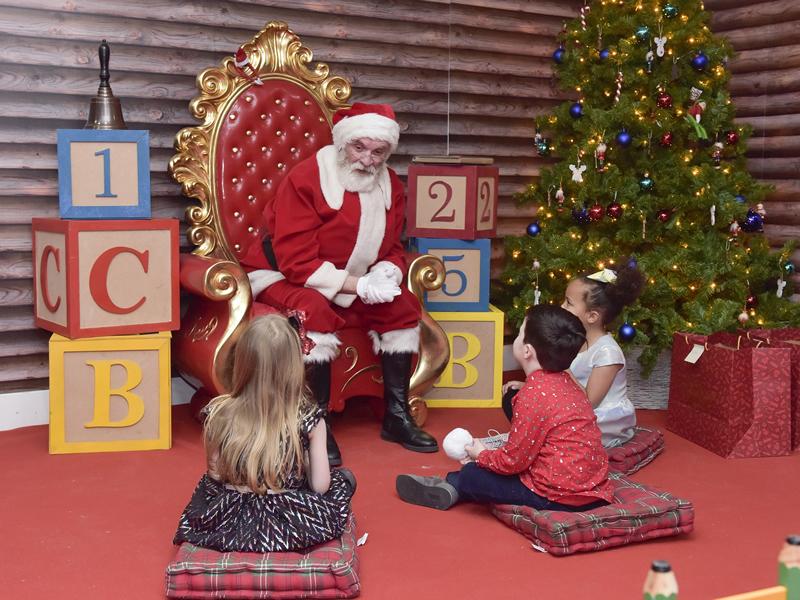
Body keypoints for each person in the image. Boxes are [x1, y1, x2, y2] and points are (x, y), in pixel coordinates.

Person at [242, 102, 439, 464]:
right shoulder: (306, 178)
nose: (368, 159)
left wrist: (388, 272)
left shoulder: (390, 185)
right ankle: (316, 424)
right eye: (359, 147)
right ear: (343, 143)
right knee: (312, 309)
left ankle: (396, 415)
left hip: (351, 278)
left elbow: (393, 247)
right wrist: (359, 286)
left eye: (378, 151)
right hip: (282, 274)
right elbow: (296, 262)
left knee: (402, 306)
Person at [395, 305, 613, 512]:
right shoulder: (569, 386)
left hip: (558, 496)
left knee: (472, 475)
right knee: (511, 397)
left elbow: (512, 462)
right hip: (593, 490)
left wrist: (480, 455)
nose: (516, 339)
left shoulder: (534, 395)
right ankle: (454, 486)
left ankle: (453, 485)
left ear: (527, 351)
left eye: (518, 334)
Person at [173, 315, 356, 553]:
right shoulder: (308, 419)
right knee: (343, 482)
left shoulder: (219, 412)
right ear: (294, 366)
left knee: (207, 491)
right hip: (289, 522)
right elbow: (320, 486)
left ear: (241, 362)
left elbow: (216, 474)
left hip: (229, 520)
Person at [503, 261, 644, 448]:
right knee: (512, 397)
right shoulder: (572, 339)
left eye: (568, 303)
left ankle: (551, 440)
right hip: (570, 403)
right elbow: (556, 383)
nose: (561, 306)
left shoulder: (608, 353)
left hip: (598, 416)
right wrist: (526, 387)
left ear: (592, 316)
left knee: (554, 421)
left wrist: (563, 364)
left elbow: (587, 403)